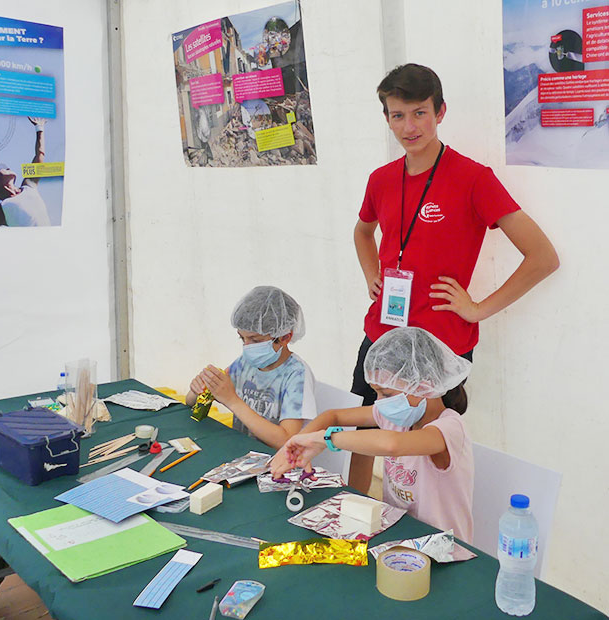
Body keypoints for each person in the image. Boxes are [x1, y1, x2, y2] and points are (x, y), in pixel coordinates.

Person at [349, 63, 559, 492]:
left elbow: (542, 256)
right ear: (386, 117)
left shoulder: (473, 179)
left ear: (440, 111)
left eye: (420, 112)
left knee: (430, 456)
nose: (409, 126)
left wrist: (478, 309)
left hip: (441, 344)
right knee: (366, 438)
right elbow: (363, 230)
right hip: (383, 335)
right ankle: (350, 516)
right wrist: (373, 273)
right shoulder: (381, 180)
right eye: (397, 115)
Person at [271, 326, 474, 543]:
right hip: (398, 537)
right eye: (376, 392)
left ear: (424, 386)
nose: (379, 402)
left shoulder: (450, 428)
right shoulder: (398, 414)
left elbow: (392, 444)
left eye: (386, 393)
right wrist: (293, 445)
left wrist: (323, 439)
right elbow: (333, 416)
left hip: (443, 548)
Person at [186, 286, 316, 450]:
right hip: (242, 453)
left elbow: (286, 441)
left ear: (284, 337)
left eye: (255, 340)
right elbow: (191, 402)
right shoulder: (245, 363)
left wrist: (233, 401)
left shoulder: (296, 375)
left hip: (278, 465)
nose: (247, 347)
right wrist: (196, 390)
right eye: (242, 339)